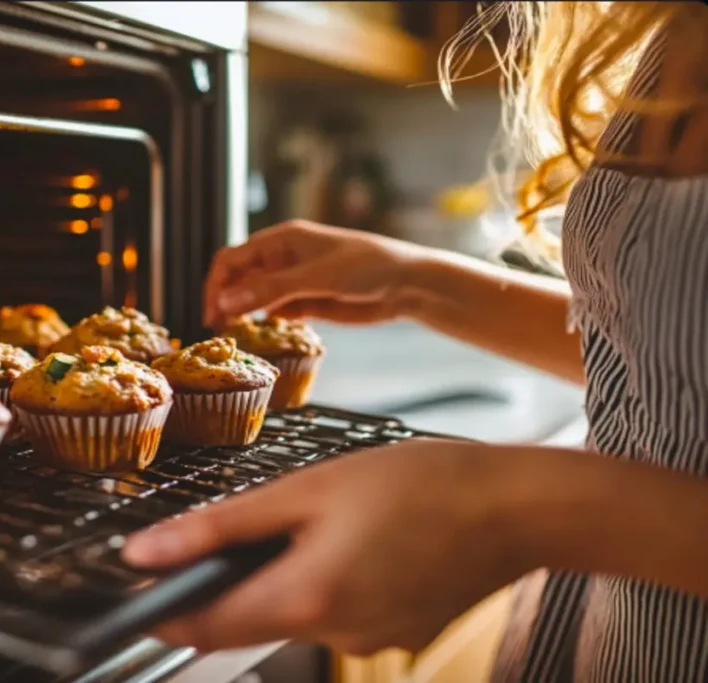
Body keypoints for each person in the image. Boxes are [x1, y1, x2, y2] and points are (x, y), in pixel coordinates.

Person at [122, 2, 708, 681]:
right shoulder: (673, 26)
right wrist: (416, 282)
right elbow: (663, 368)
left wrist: (524, 508)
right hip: (609, 634)